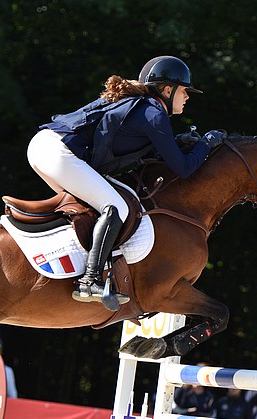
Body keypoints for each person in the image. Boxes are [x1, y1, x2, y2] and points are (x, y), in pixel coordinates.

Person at [27, 55, 225, 309]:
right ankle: (89, 279)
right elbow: (184, 168)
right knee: (115, 206)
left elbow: (152, 154)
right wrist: (206, 144)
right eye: (184, 91)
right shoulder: (154, 113)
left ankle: (79, 267)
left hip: (47, 147)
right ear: (167, 89)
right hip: (56, 151)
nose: (187, 97)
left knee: (97, 207)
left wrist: (184, 142)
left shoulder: (145, 108)